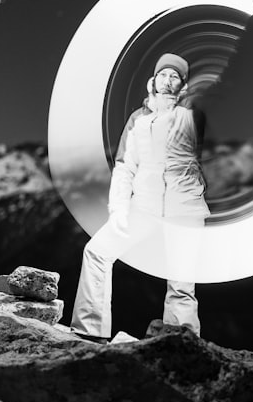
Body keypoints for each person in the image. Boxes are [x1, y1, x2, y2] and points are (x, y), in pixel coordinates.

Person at [70, 52, 208, 341]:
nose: (167, 80)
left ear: (183, 84)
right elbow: (124, 165)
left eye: (174, 76)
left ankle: (181, 345)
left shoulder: (191, 115)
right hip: (143, 207)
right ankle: (89, 331)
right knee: (96, 251)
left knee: (181, 284)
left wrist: (174, 105)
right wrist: (119, 208)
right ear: (153, 80)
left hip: (183, 209)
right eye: (162, 74)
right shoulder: (137, 119)